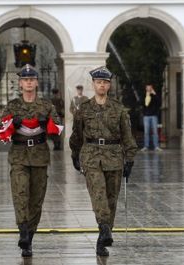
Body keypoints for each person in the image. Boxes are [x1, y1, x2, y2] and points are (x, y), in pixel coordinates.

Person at [69, 66, 137, 257]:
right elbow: (77, 134)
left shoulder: (119, 109)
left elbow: (127, 136)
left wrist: (130, 159)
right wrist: (75, 154)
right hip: (91, 156)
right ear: (93, 84)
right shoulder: (83, 109)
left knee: (111, 199)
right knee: (98, 194)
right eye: (99, 82)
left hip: (114, 156)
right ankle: (105, 227)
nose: (102, 85)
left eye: (105, 82)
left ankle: (102, 238)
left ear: (109, 85)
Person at [0, 64, 63, 257]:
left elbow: (58, 129)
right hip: (18, 155)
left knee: (36, 200)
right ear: (20, 83)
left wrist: (47, 123)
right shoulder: (12, 106)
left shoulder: (46, 105)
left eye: (31, 80)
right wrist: (12, 123)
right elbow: (2, 131)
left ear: (36, 82)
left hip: (40, 156)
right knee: (20, 194)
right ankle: (23, 230)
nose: (28, 83)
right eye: (25, 80)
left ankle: (30, 237)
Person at [141, 84, 162, 151]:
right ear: (146, 88)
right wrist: (146, 96)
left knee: (155, 132)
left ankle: (156, 146)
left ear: (152, 88)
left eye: (150, 88)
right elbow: (141, 103)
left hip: (154, 116)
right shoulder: (144, 95)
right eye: (147, 88)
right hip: (146, 116)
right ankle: (146, 146)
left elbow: (159, 103)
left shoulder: (154, 95)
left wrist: (154, 94)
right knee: (146, 132)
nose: (148, 89)